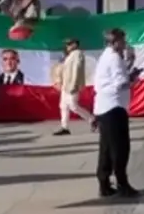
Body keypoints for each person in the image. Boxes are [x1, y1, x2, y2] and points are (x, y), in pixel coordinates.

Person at [93, 29, 139, 198]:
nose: (124, 43)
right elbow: (120, 83)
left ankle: (104, 182)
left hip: (104, 106)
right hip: (114, 106)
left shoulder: (106, 56)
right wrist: (133, 79)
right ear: (113, 43)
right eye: (122, 40)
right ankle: (122, 183)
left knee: (106, 147)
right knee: (120, 147)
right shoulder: (114, 58)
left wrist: (129, 67)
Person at [53, 38, 94, 136]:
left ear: (75, 45)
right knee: (63, 106)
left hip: (72, 84)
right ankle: (64, 127)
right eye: (67, 44)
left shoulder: (77, 54)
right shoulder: (70, 55)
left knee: (73, 106)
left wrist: (74, 84)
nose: (67, 46)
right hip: (66, 84)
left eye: (69, 44)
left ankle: (92, 120)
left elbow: (77, 69)